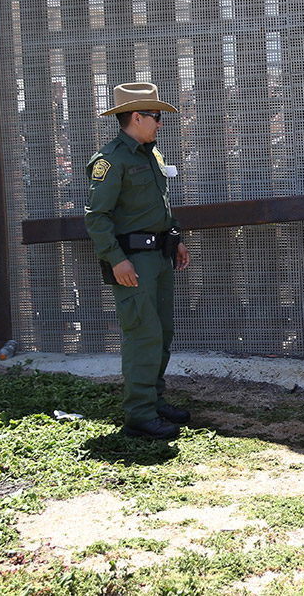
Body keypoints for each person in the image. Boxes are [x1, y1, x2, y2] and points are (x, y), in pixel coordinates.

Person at [86, 82, 191, 440]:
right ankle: (139, 415)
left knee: (161, 333)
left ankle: (154, 401)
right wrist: (116, 261)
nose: (160, 124)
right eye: (156, 117)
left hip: (159, 257)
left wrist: (176, 237)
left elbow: (158, 204)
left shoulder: (150, 154)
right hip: (133, 262)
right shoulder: (111, 159)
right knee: (141, 335)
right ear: (136, 117)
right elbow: (97, 218)